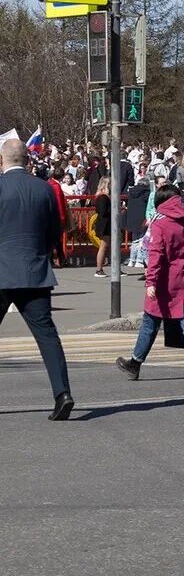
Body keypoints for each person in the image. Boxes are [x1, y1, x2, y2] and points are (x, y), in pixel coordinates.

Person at [0, 139, 73, 420]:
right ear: (27, 160)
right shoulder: (44, 189)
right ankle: (62, 393)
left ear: (2, 159)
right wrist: (43, 253)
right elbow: (55, 230)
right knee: (47, 337)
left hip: (3, 271)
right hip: (35, 271)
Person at [114, 184, 184, 384]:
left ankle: (136, 363)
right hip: (183, 279)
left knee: (150, 322)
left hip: (163, 281)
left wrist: (151, 282)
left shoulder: (160, 224)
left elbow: (156, 256)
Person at [93, 177, 112, 278]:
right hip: (104, 224)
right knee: (103, 247)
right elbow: (103, 211)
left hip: (106, 224)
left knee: (108, 246)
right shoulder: (102, 197)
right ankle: (99, 269)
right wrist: (114, 209)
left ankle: (113, 267)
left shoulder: (104, 196)